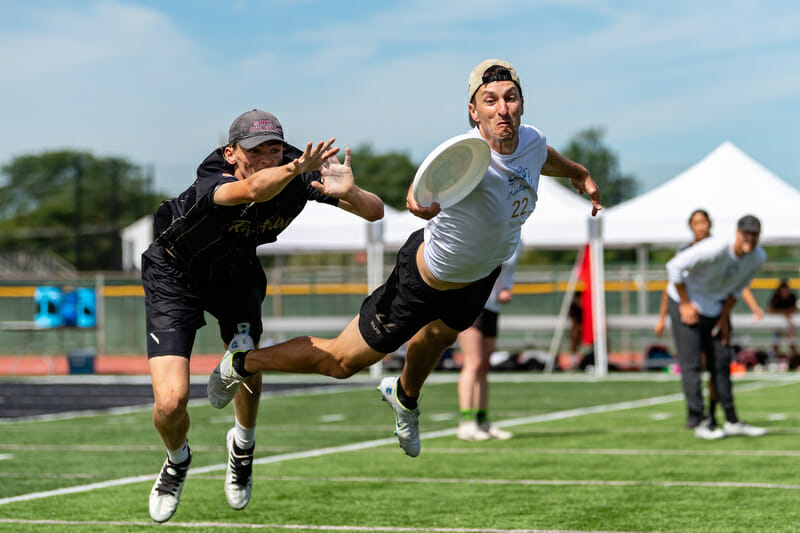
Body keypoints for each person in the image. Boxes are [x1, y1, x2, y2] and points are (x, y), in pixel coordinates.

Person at [207, 59, 601, 458]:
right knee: (342, 363)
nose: (503, 109)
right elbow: (419, 189)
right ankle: (243, 362)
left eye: (511, 98)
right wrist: (419, 205)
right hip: (423, 280)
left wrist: (578, 172)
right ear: (474, 111)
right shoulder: (465, 153)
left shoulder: (530, 141)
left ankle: (404, 398)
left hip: (482, 275)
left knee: (439, 336)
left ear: (522, 103)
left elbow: (542, 156)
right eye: (490, 100)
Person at [142, 109, 384, 523]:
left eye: (273, 149)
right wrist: (294, 169)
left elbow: (375, 212)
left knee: (246, 361)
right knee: (170, 401)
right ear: (231, 153)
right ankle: (177, 460)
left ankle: (243, 446)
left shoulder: (300, 171)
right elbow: (254, 190)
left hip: (235, 271)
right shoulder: (215, 179)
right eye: (255, 151)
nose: (266, 157)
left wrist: (351, 190)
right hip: (175, 273)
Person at [654, 208, 762, 427]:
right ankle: (697, 418)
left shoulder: (757, 256)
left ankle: (728, 419)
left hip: (714, 307)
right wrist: (683, 304)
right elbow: (673, 268)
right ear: (737, 233)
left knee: (721, 361)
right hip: (687, 303)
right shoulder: (712, 248)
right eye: (746, 233)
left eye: (754, 234)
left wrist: (723, 318)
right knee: (691, 362)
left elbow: (738, 289)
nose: (749, 238)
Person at [456, 242, 521, 441]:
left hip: (492, 307)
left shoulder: (518, 238)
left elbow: (508, 272)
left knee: (484, 365)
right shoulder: (488, 227)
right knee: (473, 362)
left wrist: (507, 289)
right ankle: (466, 423)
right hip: (470, 301)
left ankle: (482, 421)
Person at [767, 278, 797, 357]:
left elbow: (793, 309)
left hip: (789, 321)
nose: (785, 292)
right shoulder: (776, 297)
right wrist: (784, 313)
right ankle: (774, 353)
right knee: (777, 334)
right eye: (783, 289)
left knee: (791, 333)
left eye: (786, 289)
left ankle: (794, 354)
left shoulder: (792, 297)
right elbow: (771, 310)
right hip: (777, 321)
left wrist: (785, 314)